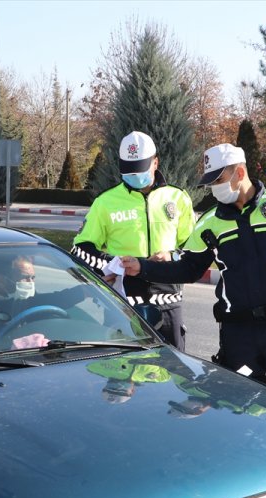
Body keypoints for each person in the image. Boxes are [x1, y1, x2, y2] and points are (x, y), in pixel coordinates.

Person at [121, 143, 266, 409]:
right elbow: (189, 268)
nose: (215, 189)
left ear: (240, 173)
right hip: (237, 332)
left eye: (219, 180)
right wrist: (144, 268)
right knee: (238, 407)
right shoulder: (209, 222)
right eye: (211, 183)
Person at [72, 131, 195, 350]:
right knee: (123, 377)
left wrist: (172, 255)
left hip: (168, 302)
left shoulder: (178, 198)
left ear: (155, 163)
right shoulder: (105, 202)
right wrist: (113, 264)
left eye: (139, 169)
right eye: (128, 170)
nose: (134, 175)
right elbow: (80, 249)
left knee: (175, 375)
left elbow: (195, 249)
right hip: (122, 304)